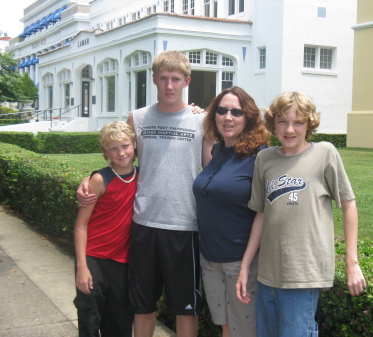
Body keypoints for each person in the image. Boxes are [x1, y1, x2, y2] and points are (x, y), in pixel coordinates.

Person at [77, 50, 215, 337]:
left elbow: (213, 168)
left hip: (184, 225)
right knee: (142, 305)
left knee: (185, 307)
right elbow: (118, 157)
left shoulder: (200, 121)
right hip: (143, 225)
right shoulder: (137, 118)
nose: (169, 85)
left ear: (186, 81)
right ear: (153, 79)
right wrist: (88, 181)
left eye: (176, 79)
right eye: (163, 78)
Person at [236, 91, 367, 337]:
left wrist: (352, 263)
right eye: (283, 121)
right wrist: (245, 266)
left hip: (303, 275)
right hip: (267, 275)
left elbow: (349, 204)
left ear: (309, 125)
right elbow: (261, 215)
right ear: (273, 123)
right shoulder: (265, 159)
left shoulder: (325, 153)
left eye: (298, 122)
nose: (290, 129)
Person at [192, 86, 271, 337]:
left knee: (244, 331)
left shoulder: (260, 157)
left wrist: (246, 265)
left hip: (240, 262)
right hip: (210, 259)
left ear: (248, 117)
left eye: (236, 112)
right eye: (222, 110)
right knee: (226, 327)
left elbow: (265, 212)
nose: (228, 117)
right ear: (214, 115)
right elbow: (215, 185)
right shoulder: (217, 151)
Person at [73, 121, 138, 337]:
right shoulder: (100, 179)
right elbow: (81, 225)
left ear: (135, 145)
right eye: (113, 148)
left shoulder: (142, 176)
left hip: (122, 264)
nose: (121, 153)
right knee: (90, 322)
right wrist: (82, 268)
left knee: (120, 324)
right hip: (94, 260)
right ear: (106, 152)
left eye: (125, 146)